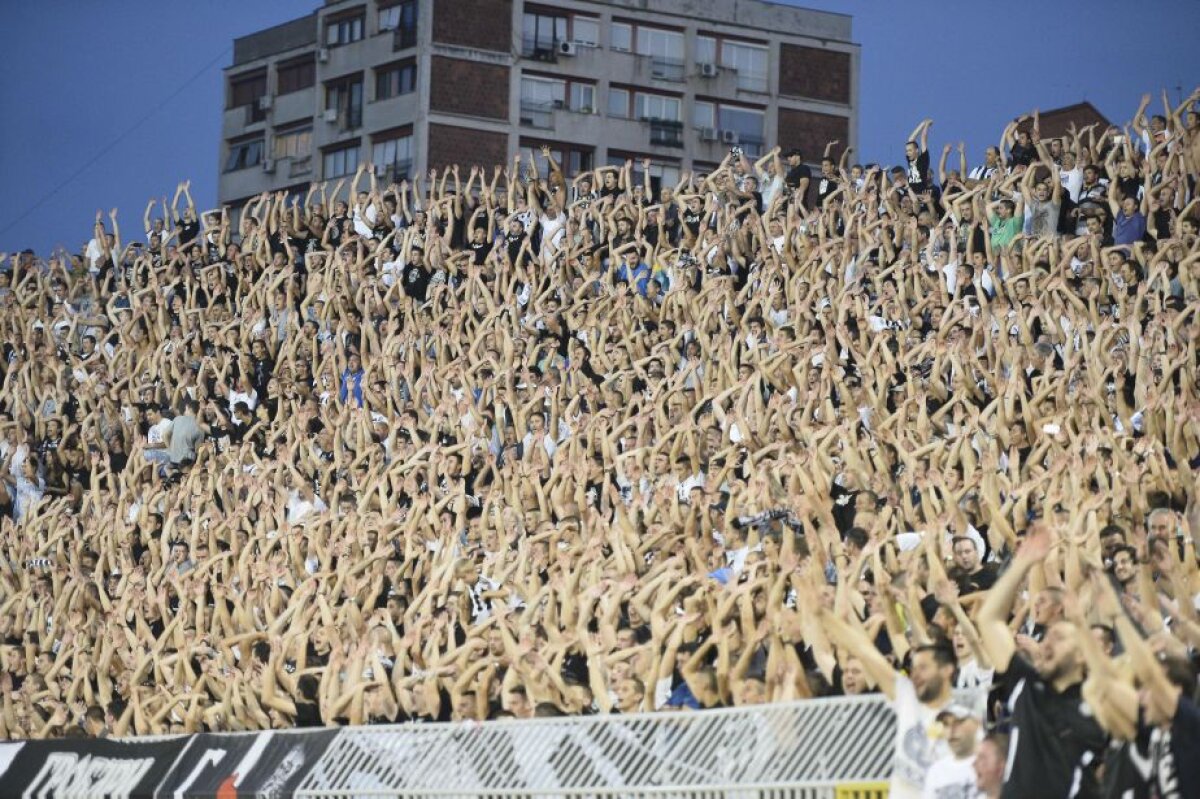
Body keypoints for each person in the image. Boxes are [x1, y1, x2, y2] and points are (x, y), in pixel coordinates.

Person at [976, 526, 1108, 798]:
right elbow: (988, 620)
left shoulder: (1098, 702)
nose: (1047, 643)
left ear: (1083, 654)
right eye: (1048, 639)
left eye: (1059, 638)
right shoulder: (1027, 684)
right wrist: (1023, 563)